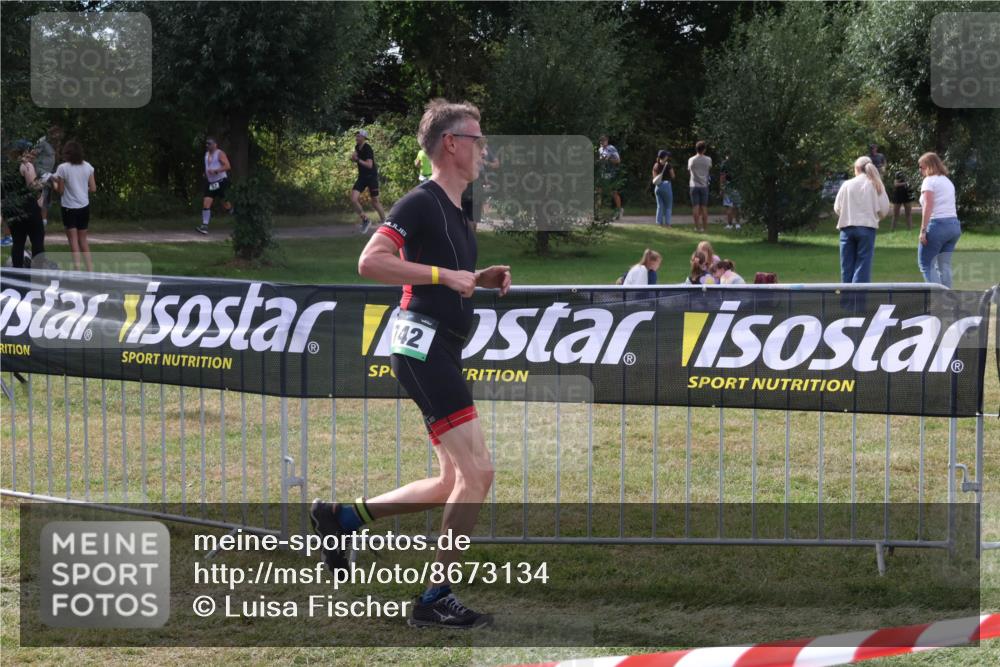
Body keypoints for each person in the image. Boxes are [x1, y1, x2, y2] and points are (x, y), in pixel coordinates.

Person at [312, 99, 511, 630]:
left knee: (453, 480)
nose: (483, 148)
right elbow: (370, 261)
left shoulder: (456, 210)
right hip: (422, 347)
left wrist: (478, 275)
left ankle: (341, 518)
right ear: (451, 144)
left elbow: (442, 272)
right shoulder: (421, 201)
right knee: (479, 473)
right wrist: (446, 278)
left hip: (436, 347)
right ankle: (434, 598)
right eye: (477, 138)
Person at [834, 155, 890, 284]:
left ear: (857, 168)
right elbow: (884, 208)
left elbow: (837, 208)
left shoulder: (847, 184)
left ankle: (847, 302)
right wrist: (877, 217)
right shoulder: (875, 184)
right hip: (867, 228)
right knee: (862, 266)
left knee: (846, 267)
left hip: (846, 228)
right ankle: (858, 301)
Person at [916, 152, 961, 288]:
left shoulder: (929, 181)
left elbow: (928, 206)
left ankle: (938, 299)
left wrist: (923, 230)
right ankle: (948, 300)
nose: (920, 170)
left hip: (938, 225)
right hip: (953, 226)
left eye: (921, 167)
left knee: (925, 263)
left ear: (929, 166)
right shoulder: (947, 181)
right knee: (944, 265)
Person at [51, 140, 96, 272]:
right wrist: (81, 189)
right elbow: (93, 188)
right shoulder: (88, 166)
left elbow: (60, 191)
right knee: (83, 240)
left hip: (69, 208)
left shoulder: (63, 168)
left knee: (73, 241)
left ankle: (77, 270)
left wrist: (52, 184)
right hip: (84, 208)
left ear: (67, 154)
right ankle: (90, 270)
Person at [1, 140, 46, 268]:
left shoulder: (6, 169)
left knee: (18, 243)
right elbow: (33, 187)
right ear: (24, 151)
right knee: (37, 239)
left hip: (12, 209)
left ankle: (18, 274)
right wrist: (41, 184)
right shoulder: (26, 166)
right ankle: (38, 271)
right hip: (28, 207)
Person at [350, 129, 386, 234]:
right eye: (356, 136)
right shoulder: (357, 147)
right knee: (353, 199)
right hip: (362, 177)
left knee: (375, 201)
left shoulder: (368, 148)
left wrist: (357, 160)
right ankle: (366, 220)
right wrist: (353, 158)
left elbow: (369, 165)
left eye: (359, 136)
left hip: (371, 177)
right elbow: (355, 156)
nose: (356, 138)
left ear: (364, 138)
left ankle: (385, 222)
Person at [196, 137, 233, 234]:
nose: (207, 145)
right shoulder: (206, 154)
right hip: (211, 183)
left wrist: (216, 171)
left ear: (215, 144)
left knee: (226, 204)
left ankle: (238, 218)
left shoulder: (219, 153)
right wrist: (206, 174)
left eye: (209, 144)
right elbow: (208, 166)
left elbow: (227, 166)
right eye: (206, 143)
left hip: (221, 182)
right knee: (206, 203)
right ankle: (204, 226)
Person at [34, 125, 63, 227]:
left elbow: (56, 159)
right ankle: (37, 222)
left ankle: (43, 222)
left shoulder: (55, 145)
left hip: (49, 172)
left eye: (58, 134)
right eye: (55, 133)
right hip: (40, 172)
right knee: (41, 196)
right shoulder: (43, 143)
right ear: (51, 134)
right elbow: (33, 155)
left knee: (46, 197)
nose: (57, 136)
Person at [688, 140, 712, 232]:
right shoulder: (708, 159)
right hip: (704, 185)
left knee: (695, 207)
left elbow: (689, 170)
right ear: (704, 149)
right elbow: (709, 169)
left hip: (694, 185)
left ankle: (697, 227)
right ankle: (705, 227)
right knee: (704, 207)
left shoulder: (691, 159)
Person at [598, 135, 623, 220]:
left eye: (603, 140)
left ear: (607, 141)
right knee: (599, 192)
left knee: (614, 193)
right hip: (602, 174)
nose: (602, 142)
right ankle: (597, 212)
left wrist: (608, 160)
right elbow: (601, 161)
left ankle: (619, 210)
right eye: (601, 141)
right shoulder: (600, 149)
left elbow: (618, 160)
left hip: (611, 174)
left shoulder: (611, 148)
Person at [652, 150, 674, 227]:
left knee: (659, 206)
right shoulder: (668, 165)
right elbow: (673, 175)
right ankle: (668, 224)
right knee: (668, 206)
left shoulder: (655, 165)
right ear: (664, 157)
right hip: (666, 185)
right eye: (667, 156)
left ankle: (658, 223)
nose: (668, 157)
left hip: (657, 187)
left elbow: (654, 177)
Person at [719, 154, 741, 230]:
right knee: (737, 206)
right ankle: (738, 224)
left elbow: (722, 176)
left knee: (729, 206)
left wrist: (722, 188)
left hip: (728, 186)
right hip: (737, 186)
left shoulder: (725, 164)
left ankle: (730, 224)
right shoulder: (738, 163)